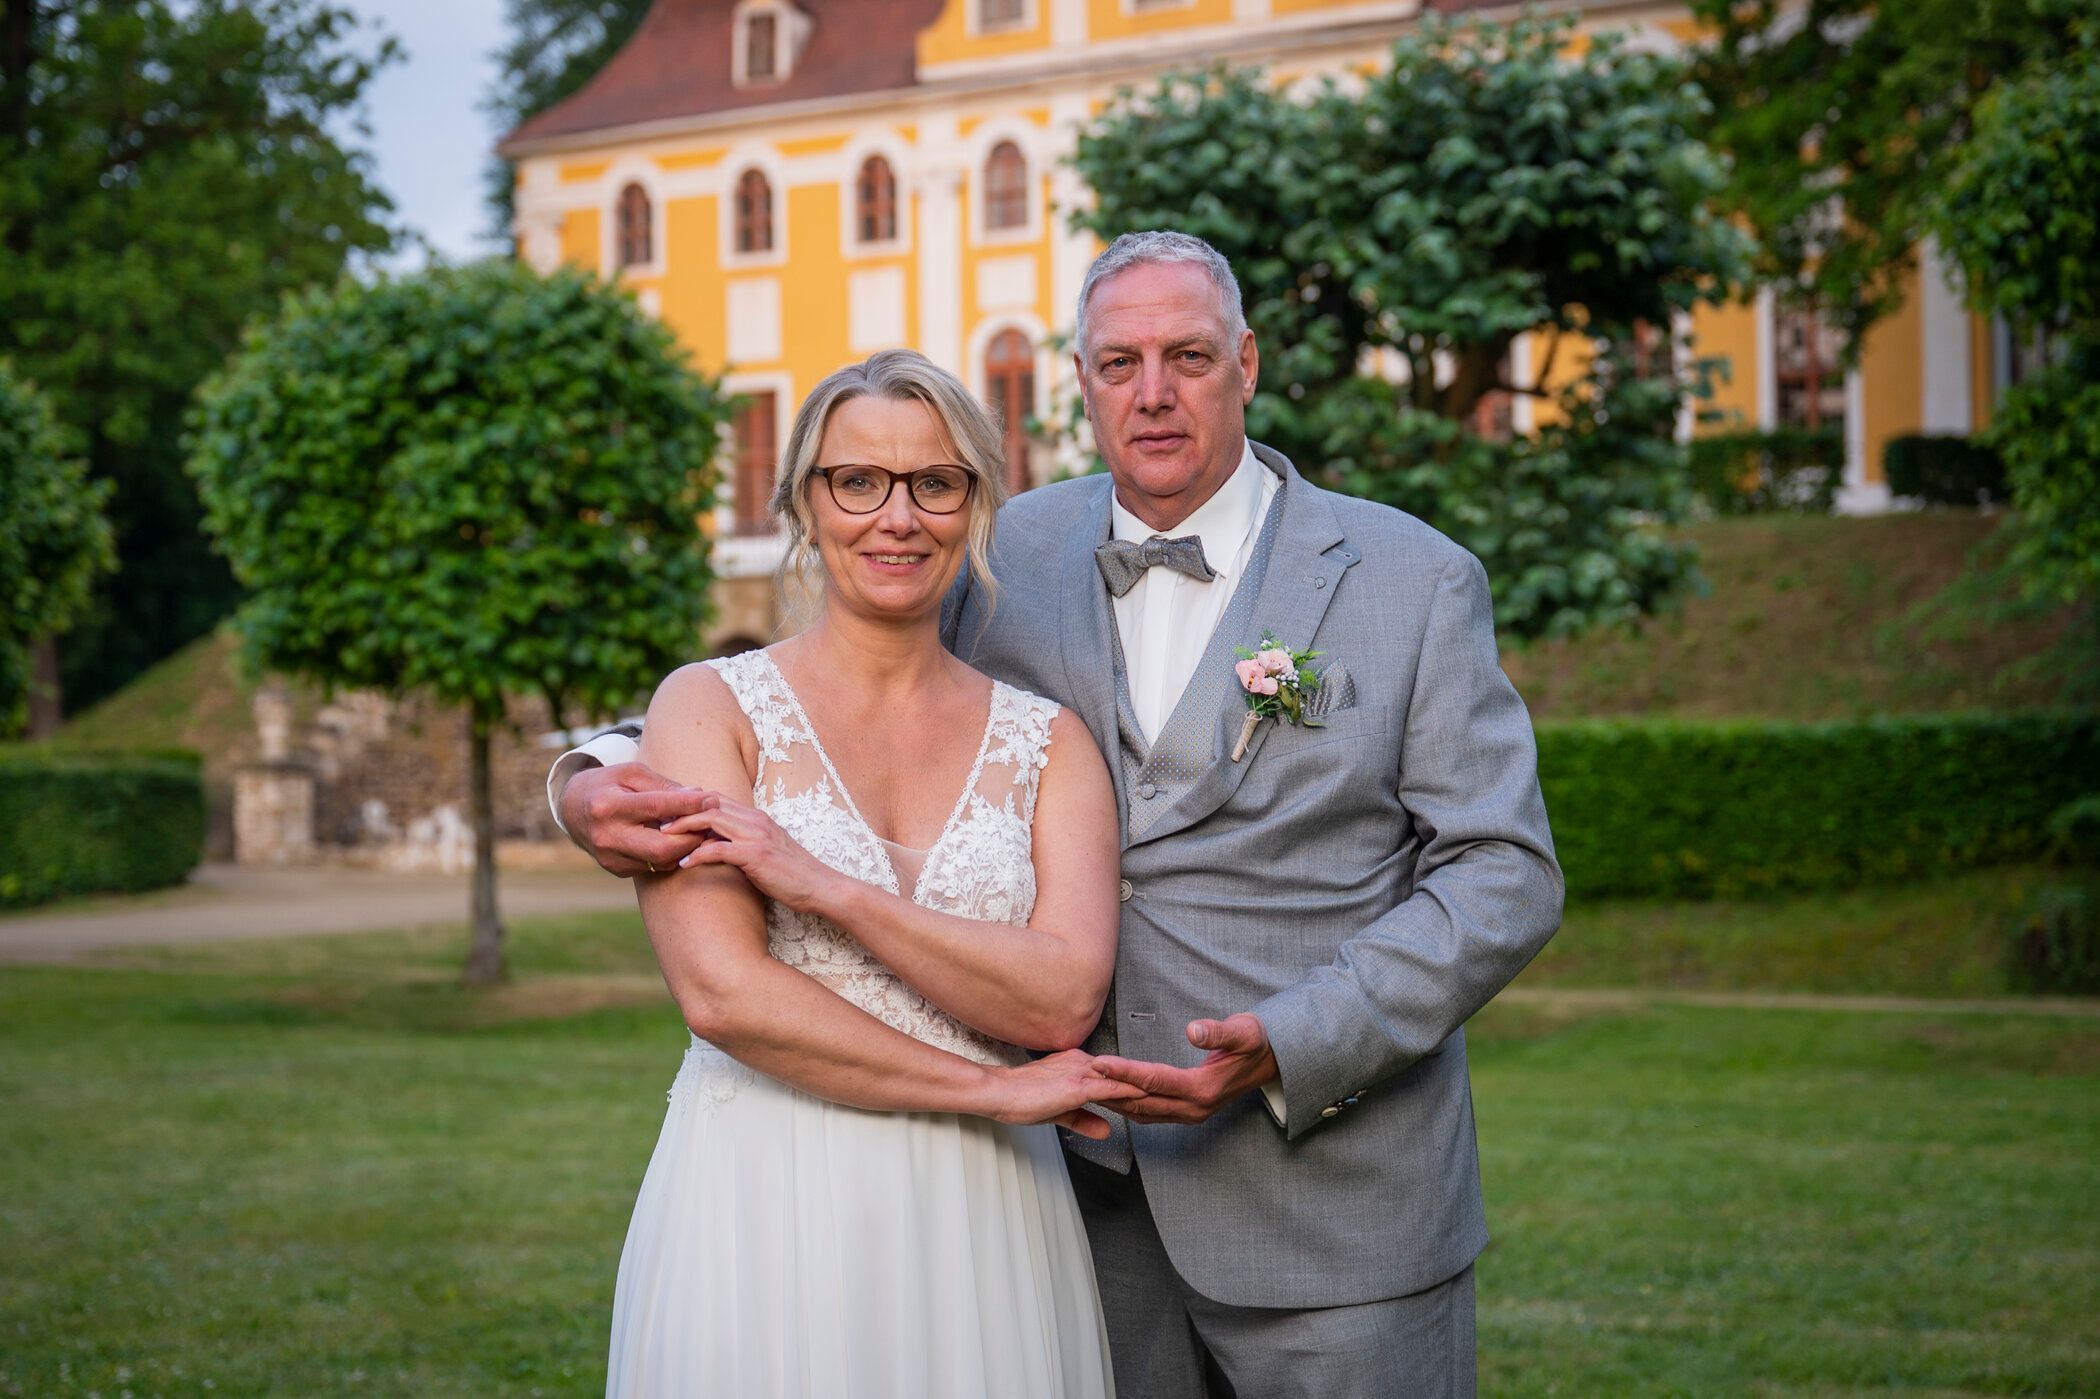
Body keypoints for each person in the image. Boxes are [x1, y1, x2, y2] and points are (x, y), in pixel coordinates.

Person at [555, 231, 1564, 1398]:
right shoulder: (1002, 548)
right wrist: (586, 780)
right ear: (1079, 379)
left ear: (1246, 363)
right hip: (1073, 1210)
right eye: (1117, 360)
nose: (1153, 392)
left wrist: (1299, 1037)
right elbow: (816, 701)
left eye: (1187, 355)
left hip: (1336, 1208)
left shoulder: (1409, 577)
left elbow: (1505, 871)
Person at [599, 349, 1130, 1398]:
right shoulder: (708, 707)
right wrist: (989, 1087)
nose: (898, 517)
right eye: (858, 481)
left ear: (975, 504)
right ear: (804, 497)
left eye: (935, 482)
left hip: (986, 1208)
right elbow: (725, 994)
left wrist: (824, 884)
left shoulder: (1050, 741)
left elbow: (1063, 993)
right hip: (764, 1185)